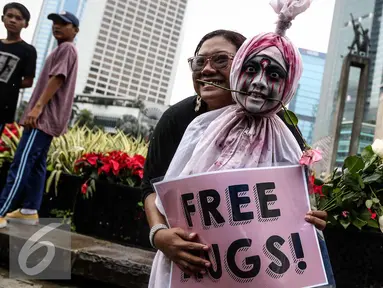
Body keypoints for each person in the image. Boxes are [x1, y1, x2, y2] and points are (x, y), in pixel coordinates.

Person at [147, 0, 335, 287]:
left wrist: (309, 221)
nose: (207, 69)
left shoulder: (281, 130)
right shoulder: (182, 120)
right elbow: (154, 187)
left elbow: (297, 204)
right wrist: (160, 235)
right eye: (199, 62)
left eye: (220, 59)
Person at [0, 11, 79, 228]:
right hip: (45, 118)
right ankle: (29, 209)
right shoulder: (62, 50)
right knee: (36, 164)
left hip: (42, 118)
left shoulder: (67, 49)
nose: (57, 26)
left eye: (64, 24)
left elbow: (57, 78)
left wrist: (36, 108)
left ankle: (1, 210)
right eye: (55, 23)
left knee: (22, 162)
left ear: (75, 30)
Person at [0, 2, 37, 136]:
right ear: (2, 18)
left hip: (2, 106)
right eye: (9, 16)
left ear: (25, 24)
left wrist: (9, 85)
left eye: (18, 18)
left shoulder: (28, 51)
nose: (12, 20)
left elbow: (28, 81)